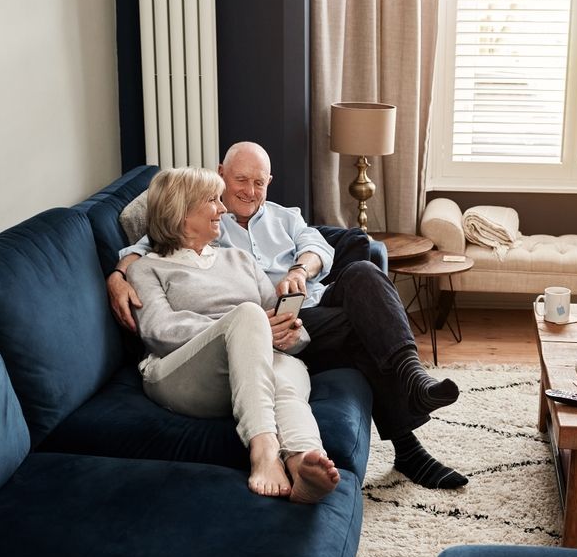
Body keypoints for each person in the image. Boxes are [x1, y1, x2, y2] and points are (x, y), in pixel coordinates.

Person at [109, 142, 468, 490]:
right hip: (243, 331)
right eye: (239, 182)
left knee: (363, 272)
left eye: (259, 182)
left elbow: (317, 247)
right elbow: (157, 241)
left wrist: (299, 272)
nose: (249, 192)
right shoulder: (201, 230)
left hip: (294, 314)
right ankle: (409, 447)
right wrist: (118, 274)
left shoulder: (281, 218)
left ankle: (411, 375)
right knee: (367, 331)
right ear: (221, 175)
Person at [127, 165, 340, 504]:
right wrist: (239, 327)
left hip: (251, 370)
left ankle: (303, 464)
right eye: (213, 200)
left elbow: (276, 320)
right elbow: (158, 331)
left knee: (282, 377)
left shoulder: (239, 259)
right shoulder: (146, 268)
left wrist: (290, 334)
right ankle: (264, 450)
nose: (224, 209)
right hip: (183, 374)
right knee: (249, 317)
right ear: (180, 212)